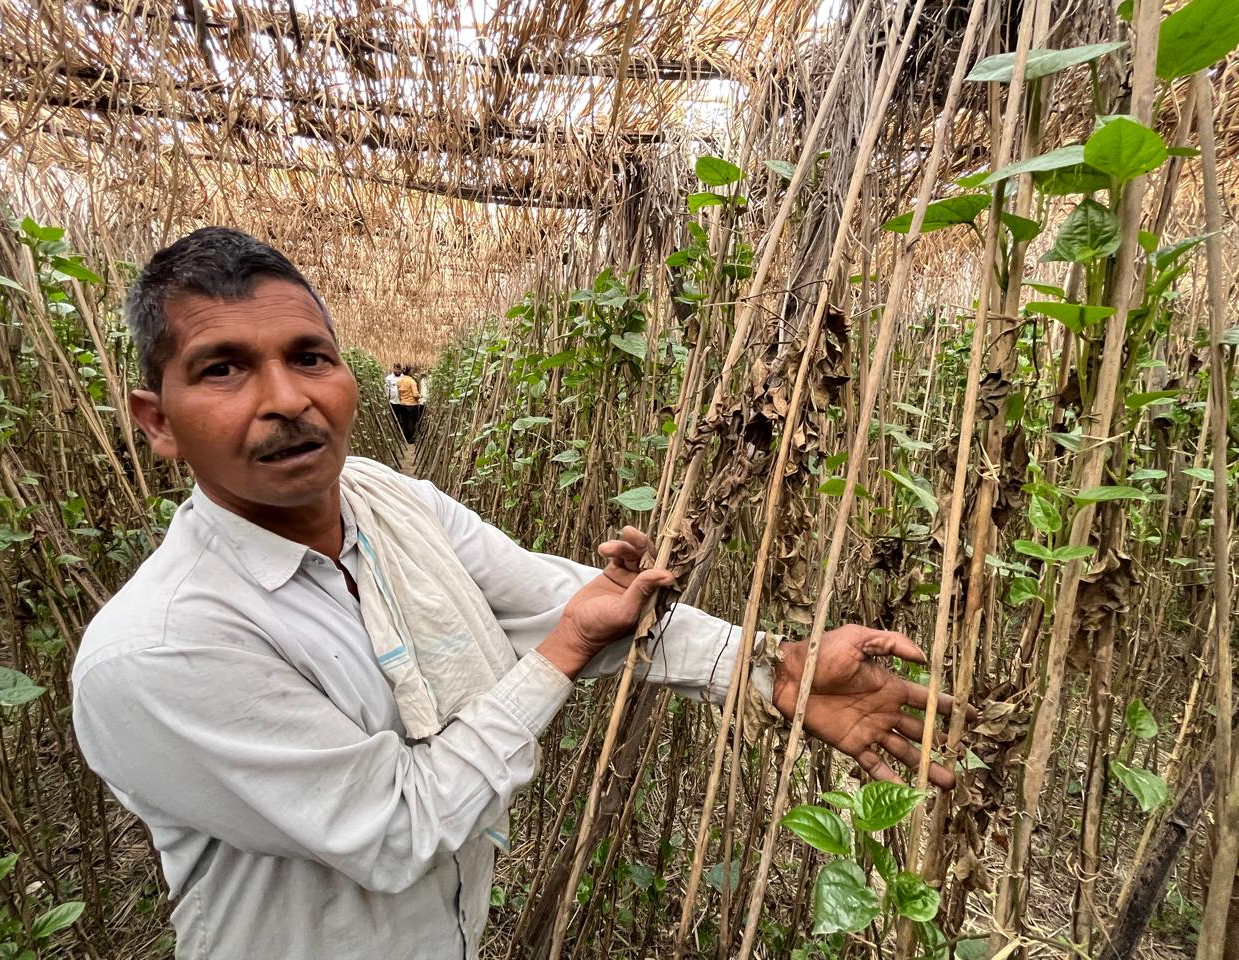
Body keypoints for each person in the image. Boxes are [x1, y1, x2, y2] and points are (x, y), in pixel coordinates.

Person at [71, 227, 956, 960]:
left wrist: (770, 666)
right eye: (223, 369)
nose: (286, 399)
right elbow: (400, 826)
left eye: (310, 357)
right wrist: (563, 654)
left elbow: (550, 595)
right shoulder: (158, 649)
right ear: (158, 422)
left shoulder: (391, 496)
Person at [397, 364, 421, 442]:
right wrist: (419, 396)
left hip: (402, 404)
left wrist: (402, 400)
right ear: (410, 371)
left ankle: (406, 437)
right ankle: (411, 438)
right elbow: (415, 394)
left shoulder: (400, 381)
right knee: (411, 422)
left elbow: (399, 395)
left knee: (405, 422)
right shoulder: (412, 381)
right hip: (411, 404)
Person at [385, 361, 405, 434]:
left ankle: (402, 433)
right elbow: (387, 390)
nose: (398, 371)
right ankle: (396, 433)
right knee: (394, 418)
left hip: (403, 402)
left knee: (403, 419)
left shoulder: (403, 377)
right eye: (396, 369)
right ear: (393, 369)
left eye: (399, 370)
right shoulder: (389, 378)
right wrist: (387, 399)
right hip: (393, 402)